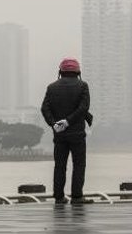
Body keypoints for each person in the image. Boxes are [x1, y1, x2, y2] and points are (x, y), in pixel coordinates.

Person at [40, 57, 92, 204]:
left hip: (60, 135)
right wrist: (68, 121)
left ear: (60, 72)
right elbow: (83, 108)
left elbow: (45, 108)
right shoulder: (83, 86)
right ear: (78, 72)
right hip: (77, 134)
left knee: (60, 166)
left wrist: (54, 124)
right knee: (79, 165)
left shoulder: (51, 87)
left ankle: (58, 197)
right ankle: (77, 197)